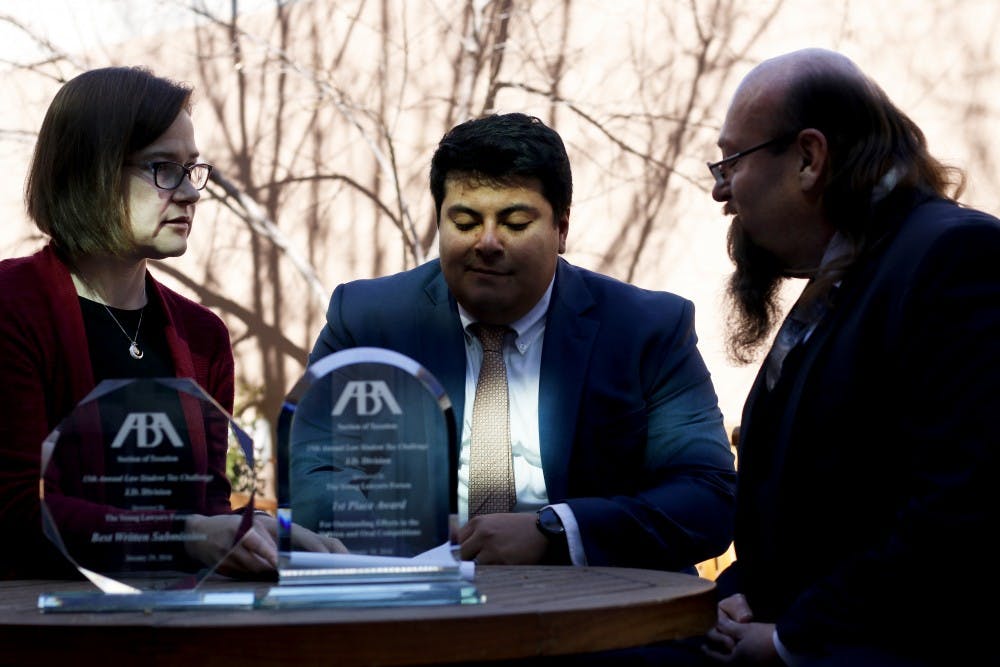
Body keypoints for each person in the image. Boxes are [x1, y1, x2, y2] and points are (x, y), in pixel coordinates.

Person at [307, 112, 736, 571]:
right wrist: (409, 534)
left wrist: (556, 532)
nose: (487, 242)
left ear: (562, 228)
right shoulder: (367, 321)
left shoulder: (646, 329)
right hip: (417, 608)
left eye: (514, 222)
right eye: (465, 221)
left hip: (598, 612)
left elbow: (707, 497)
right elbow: (314, 475)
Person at [701, 48, 998, 665]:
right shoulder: (851, 274)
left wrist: (791, 640)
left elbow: (964, 504)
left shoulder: (955, 257)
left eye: (732, 161)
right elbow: (815, 508)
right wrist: (743, 593)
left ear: (809, 158)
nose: (720, 190)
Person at [0, 66, 341, 581]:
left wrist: (266, 533)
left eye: (192, 169)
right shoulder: (13, 305)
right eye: (163, 168)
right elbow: (17, 512)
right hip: (43, 630)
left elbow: (203, 514)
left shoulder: (203, 337)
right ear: (88, 170)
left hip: (180, 627)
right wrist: (187, 534)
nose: (191, 193)